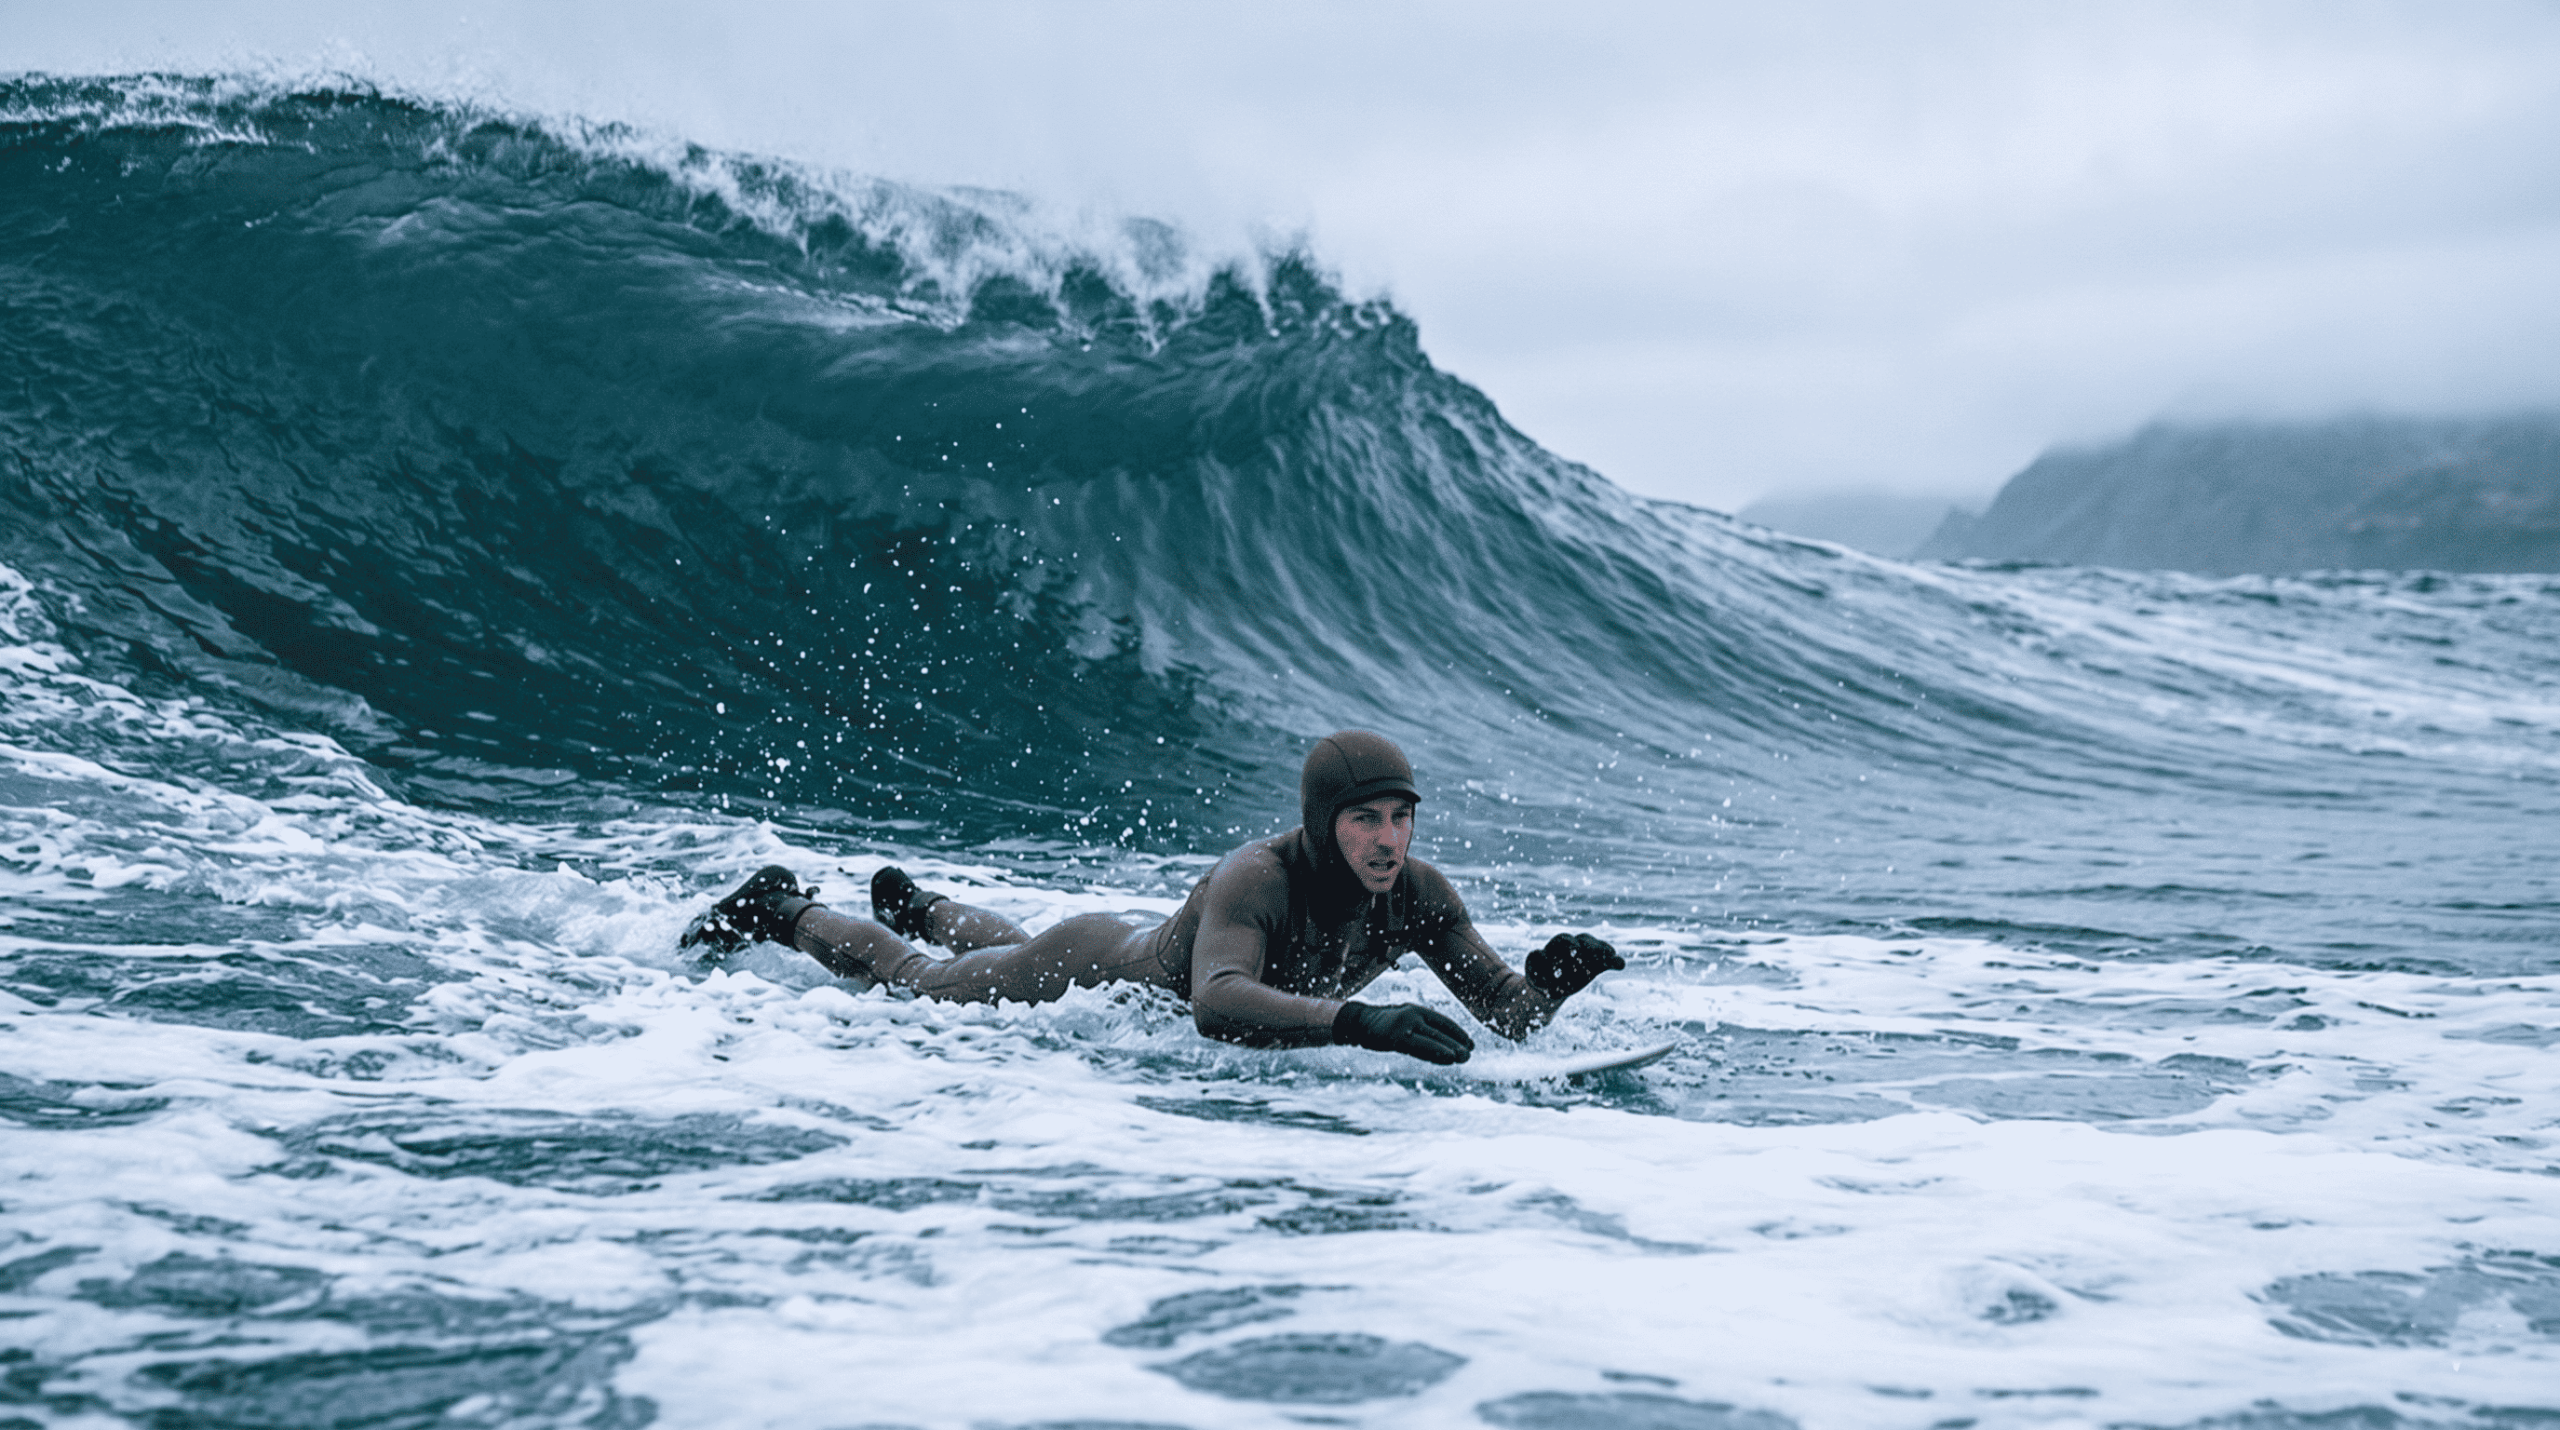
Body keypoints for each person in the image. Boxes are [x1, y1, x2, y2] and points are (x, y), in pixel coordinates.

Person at [679, 730, 1623, 1064]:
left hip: (1102, 951)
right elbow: (1216, 1002)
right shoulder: (1260, 877)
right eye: (1366, 818)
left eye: (1402, 817)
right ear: (1323, 817)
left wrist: (1547, 989)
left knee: (991, 947)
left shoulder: (1417, 894)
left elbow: (1506, 1017)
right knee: (925, 983)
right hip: (1094, 969)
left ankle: (921, 898)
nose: (1389, 839)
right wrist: (1359, 1022)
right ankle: (782, 909)